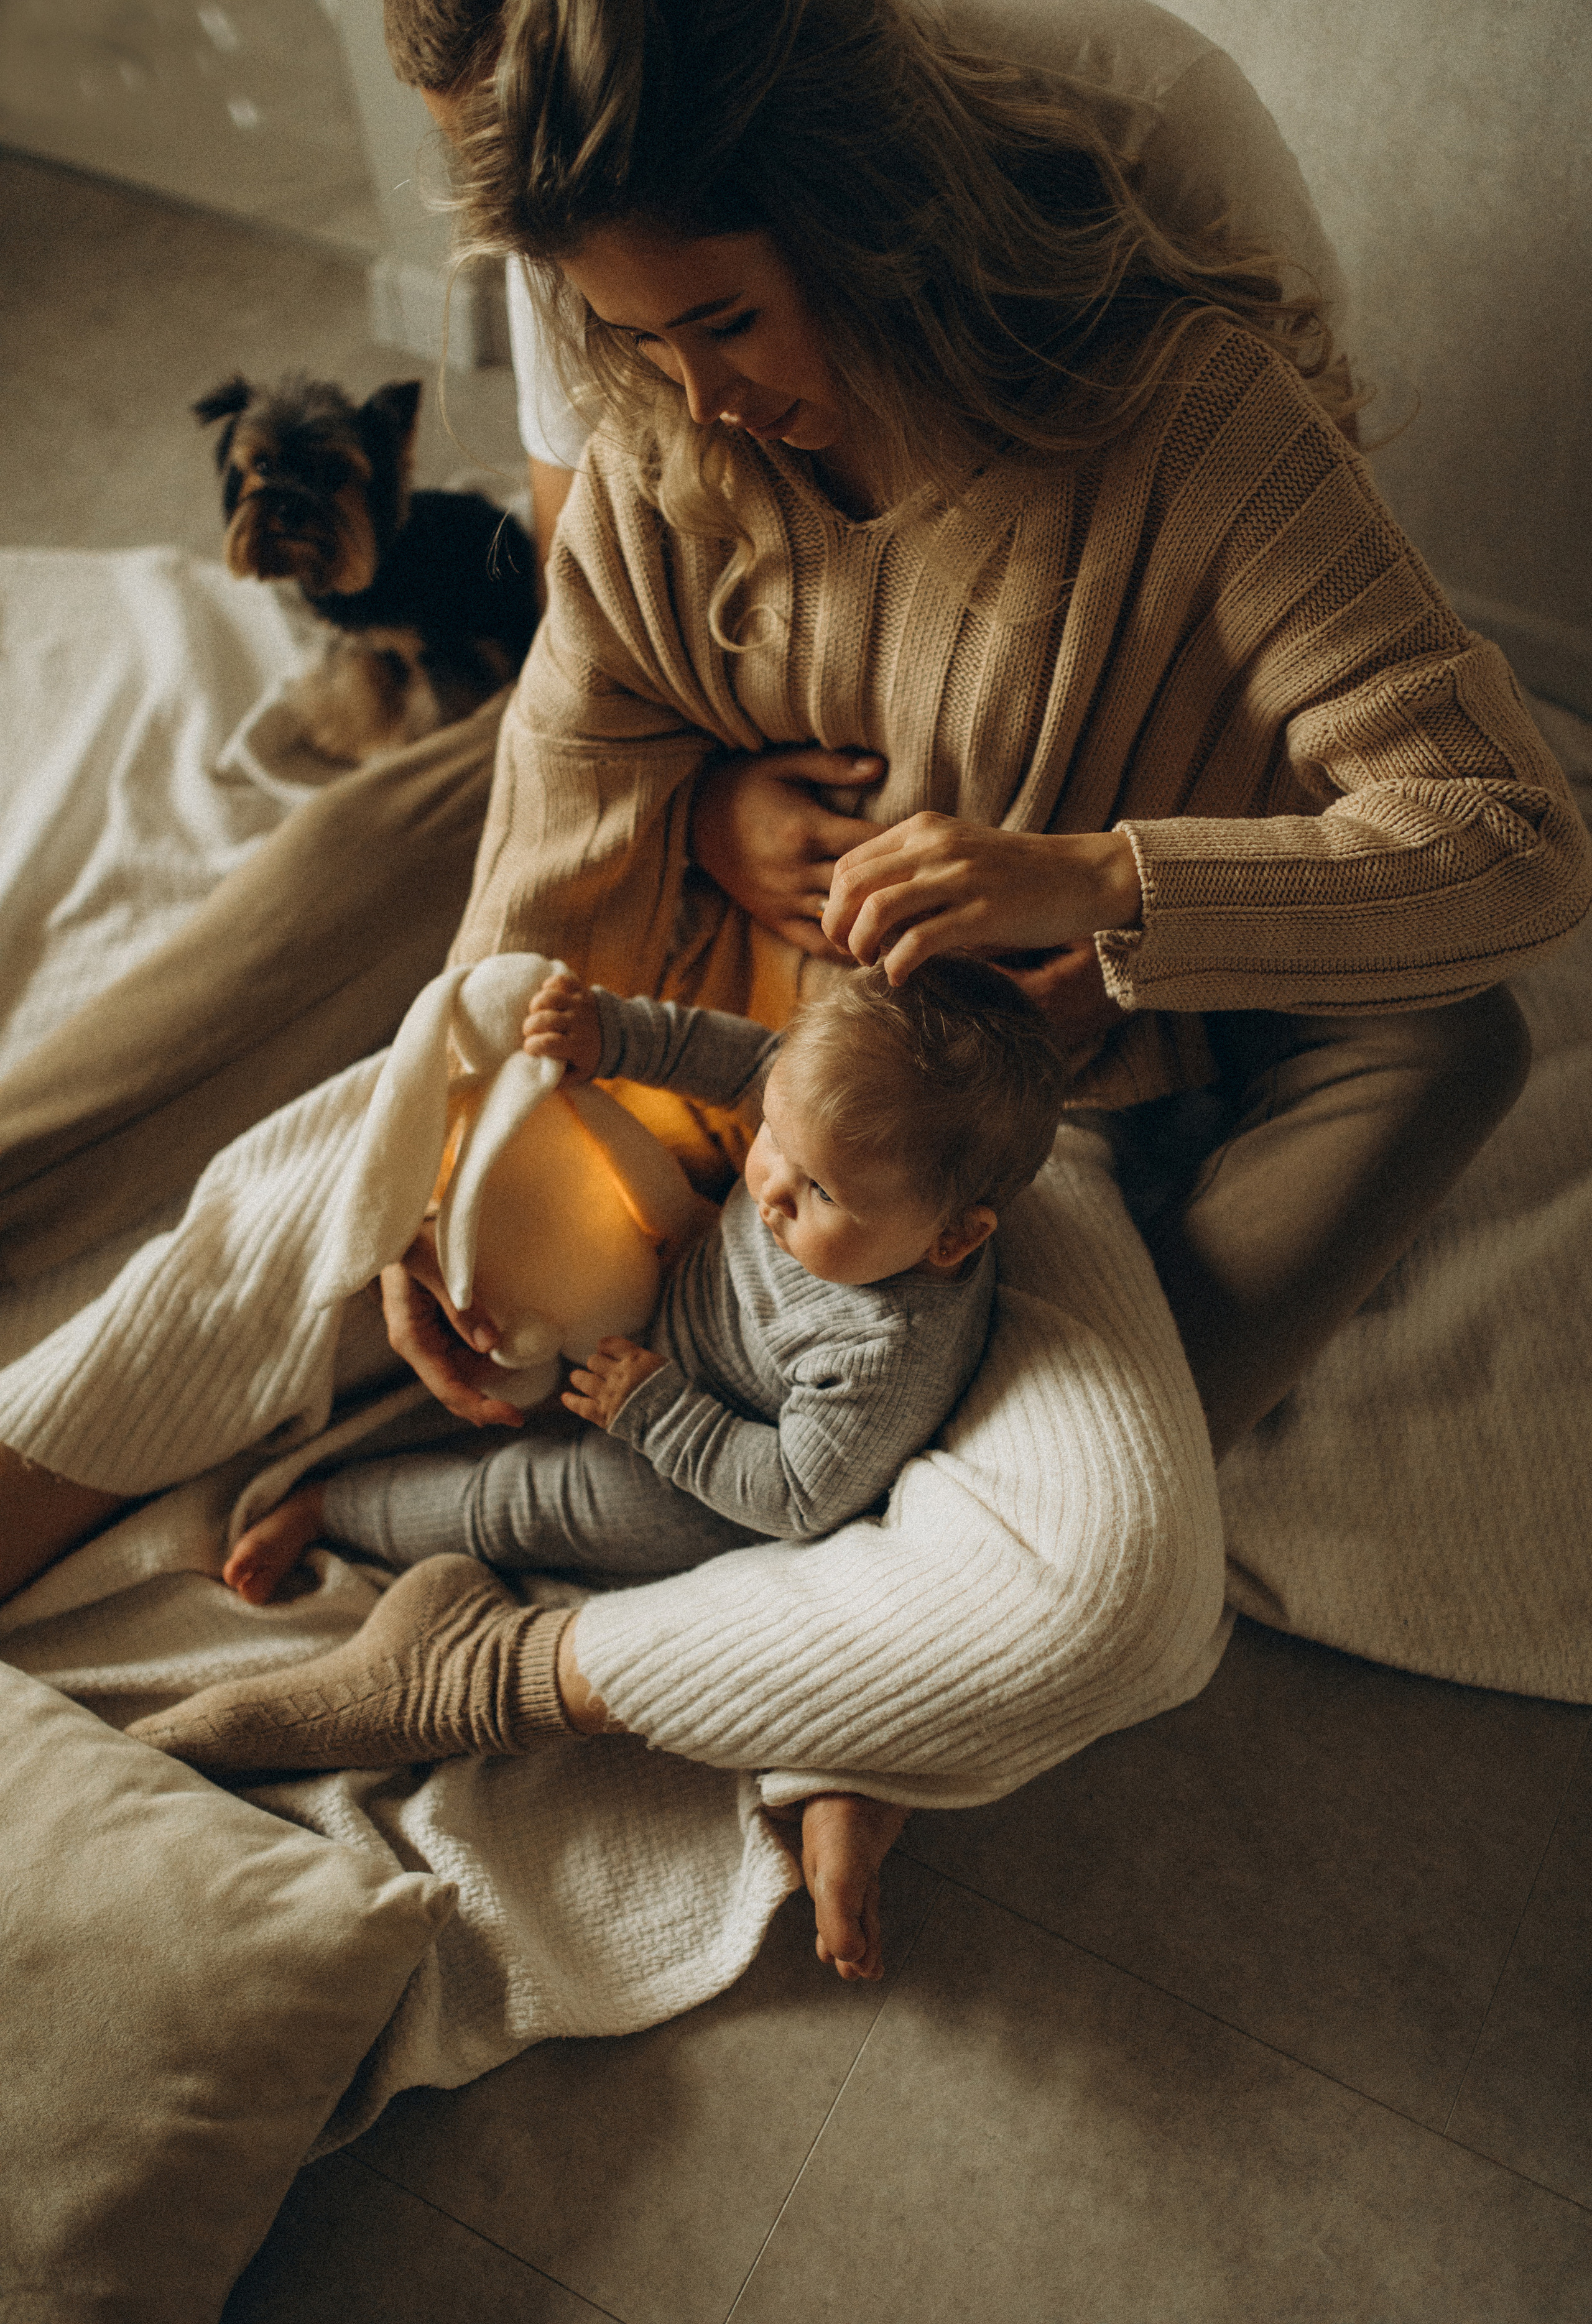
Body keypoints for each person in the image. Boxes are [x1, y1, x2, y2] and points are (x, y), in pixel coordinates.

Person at [218, 953, 1065, 1608]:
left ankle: (333, 1509)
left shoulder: (887, 1349)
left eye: (821, 1192)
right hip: (662, 1289)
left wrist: (658, 1412)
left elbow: (798, 1494)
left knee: (520, 1503)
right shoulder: (844, 1145)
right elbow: (742, 1063)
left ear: (953, 1238)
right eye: (774, 1137)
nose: (769, 1189)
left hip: (695, 1477)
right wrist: (614, 1035)